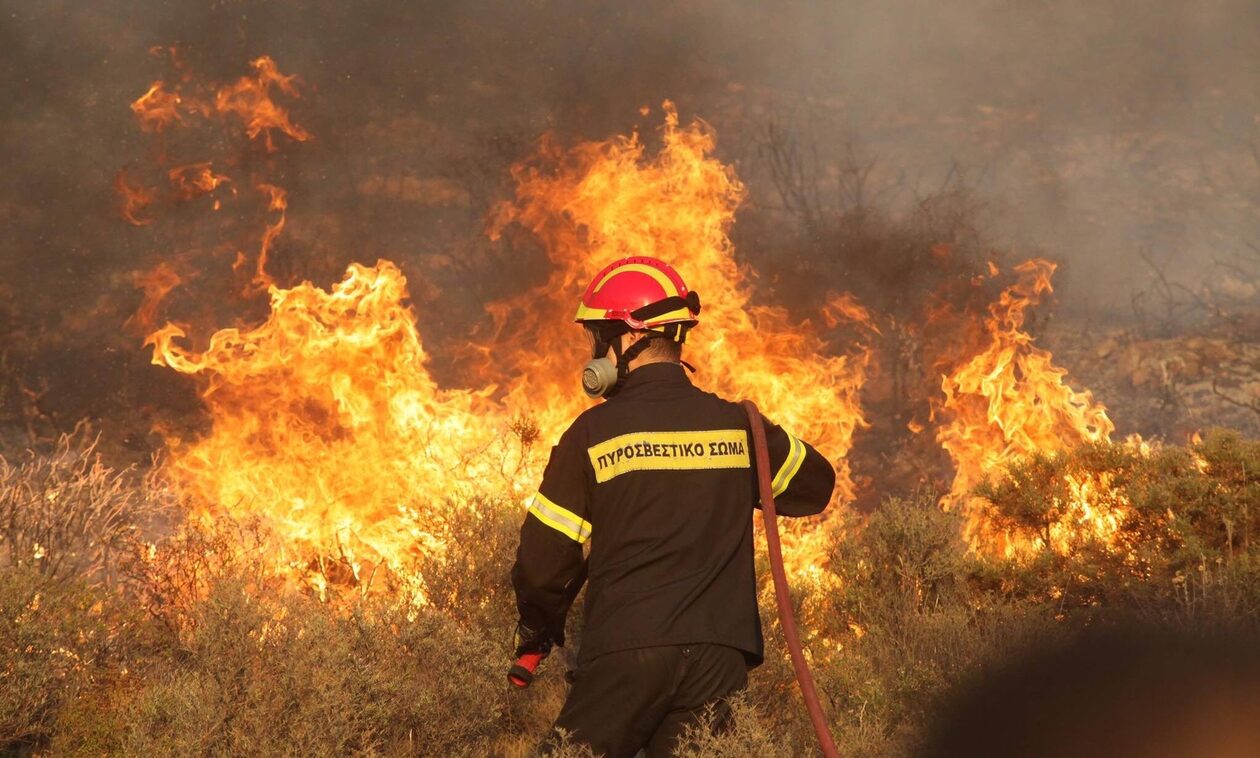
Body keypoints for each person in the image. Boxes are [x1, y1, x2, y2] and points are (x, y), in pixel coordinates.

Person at [511, 256, 836, 757]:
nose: (595, 351)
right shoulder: (738, 427)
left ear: (626, 339)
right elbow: (814, 485)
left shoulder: (592, 434)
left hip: (628, 653)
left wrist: (538, 626)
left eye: (600, 336)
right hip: (719, 659)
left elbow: (543, 564)